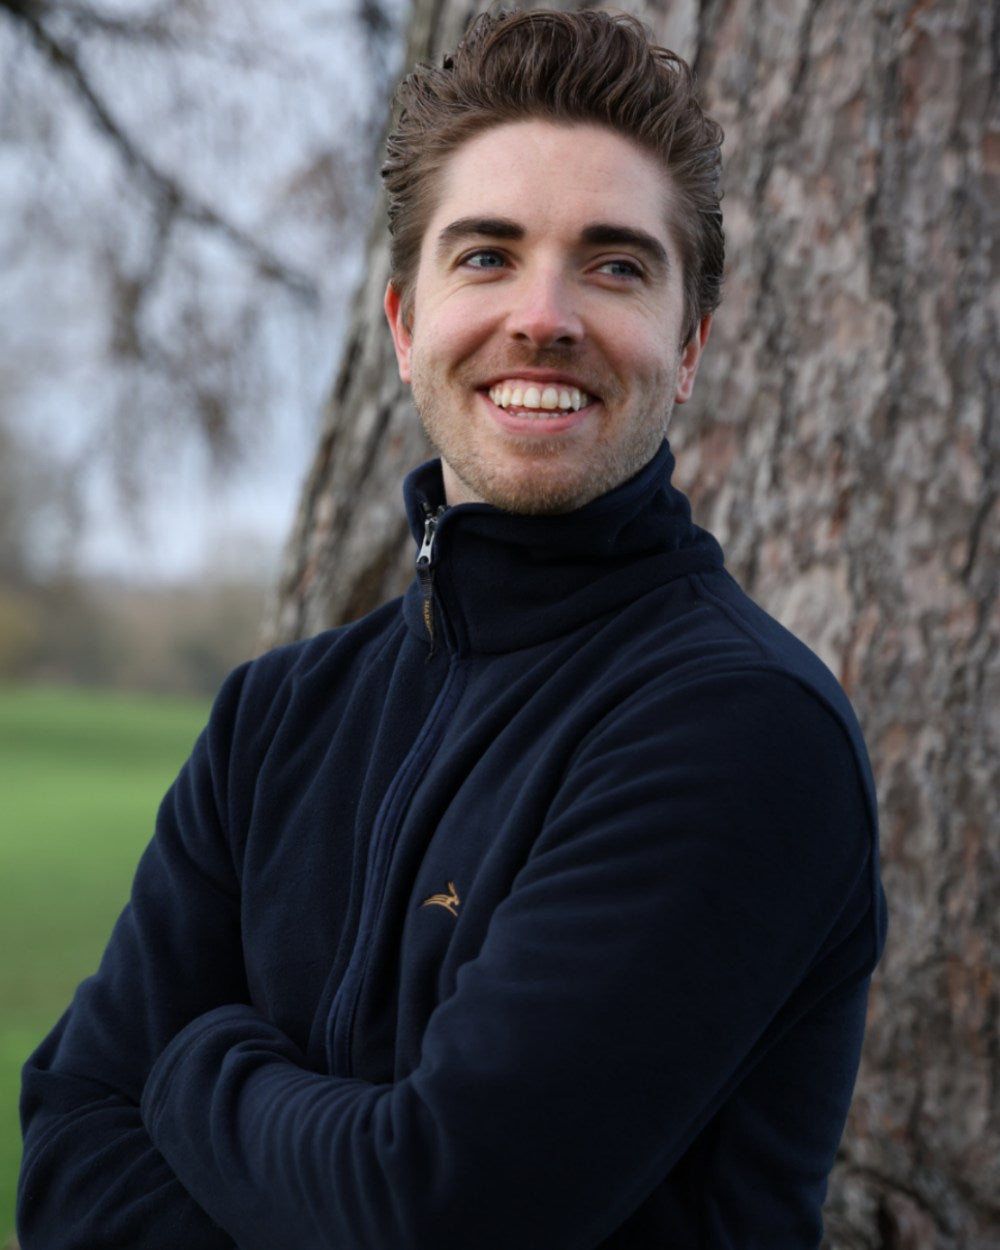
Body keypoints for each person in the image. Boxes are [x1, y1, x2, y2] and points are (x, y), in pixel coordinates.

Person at [18, 10, 887, 1248]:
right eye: (486, 255)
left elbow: (444, 1204)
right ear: (403, 324)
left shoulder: (741, 729)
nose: (544, 315)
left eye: (615, 264)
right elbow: (64, 1144)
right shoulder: (277, 718)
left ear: (685, 350)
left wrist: (195, 1060)